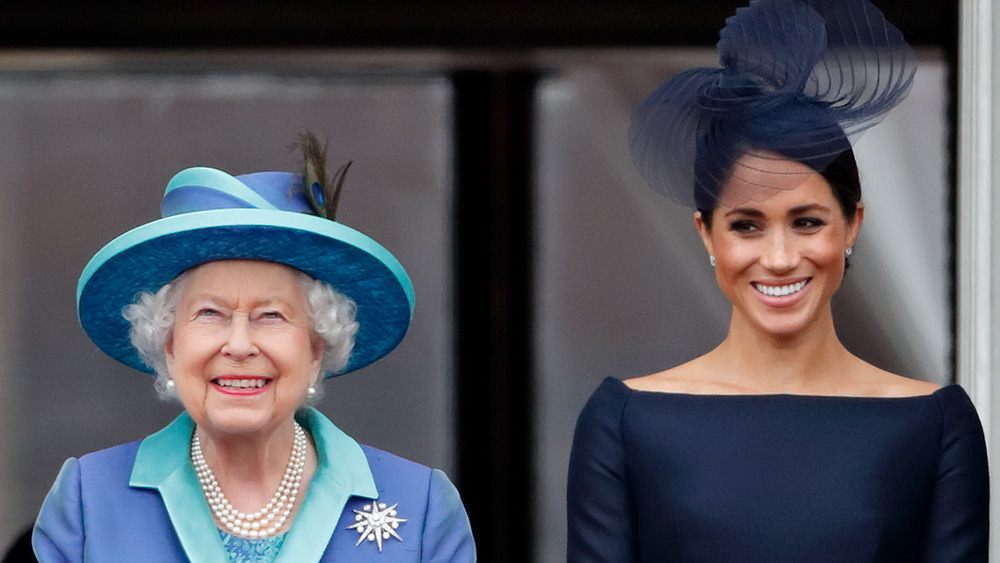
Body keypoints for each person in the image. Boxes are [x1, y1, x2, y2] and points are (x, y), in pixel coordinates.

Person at [566, 0, 989, 561]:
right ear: (706, 235)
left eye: (807, 222)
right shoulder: (626, 420)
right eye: (747, 225)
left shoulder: (934, 423)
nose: (781, 257)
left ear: (852, 224)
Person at [32, 134, 476, 562]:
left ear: (317, 349)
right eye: (210, 313)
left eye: (271, 316)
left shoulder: (421, 508)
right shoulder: (88, 500)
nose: (240, 345)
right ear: (168, 344)